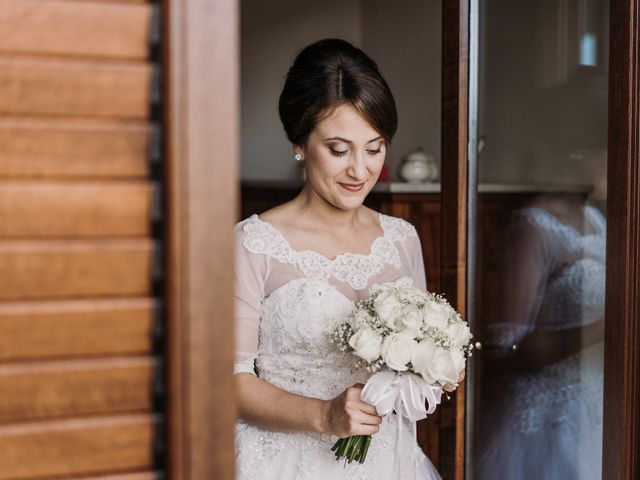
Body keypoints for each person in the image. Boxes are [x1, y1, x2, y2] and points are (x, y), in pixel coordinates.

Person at [233, 39, 445, 480]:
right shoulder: (254, 243)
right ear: (299, 142)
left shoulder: (402, 239)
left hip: (390, 461)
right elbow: (228, 383)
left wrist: (432, 371)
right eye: (338, 148)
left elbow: (418, 365)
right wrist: (324, 416)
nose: (360, 170)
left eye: (375, 147)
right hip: (285, 462)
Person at [475, 194, 606, 479]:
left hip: (600, 410)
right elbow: (505, 347)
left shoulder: (599, 219)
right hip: (546, 418)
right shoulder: (533, 225)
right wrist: (602, 330)